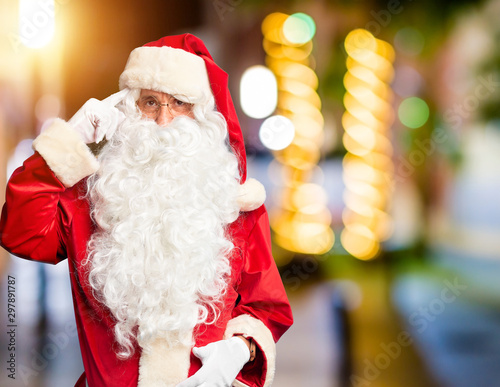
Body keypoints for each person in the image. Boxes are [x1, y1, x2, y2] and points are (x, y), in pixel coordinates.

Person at [0, 34, 293, 387]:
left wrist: (240, 349)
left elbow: (267, 308)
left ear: (202, 115)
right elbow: (20, 232)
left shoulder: (236, 207)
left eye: (180, 102)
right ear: (128, 109)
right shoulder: (91, 202)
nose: (164, 120)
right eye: (150, 102)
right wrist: (70, 140)